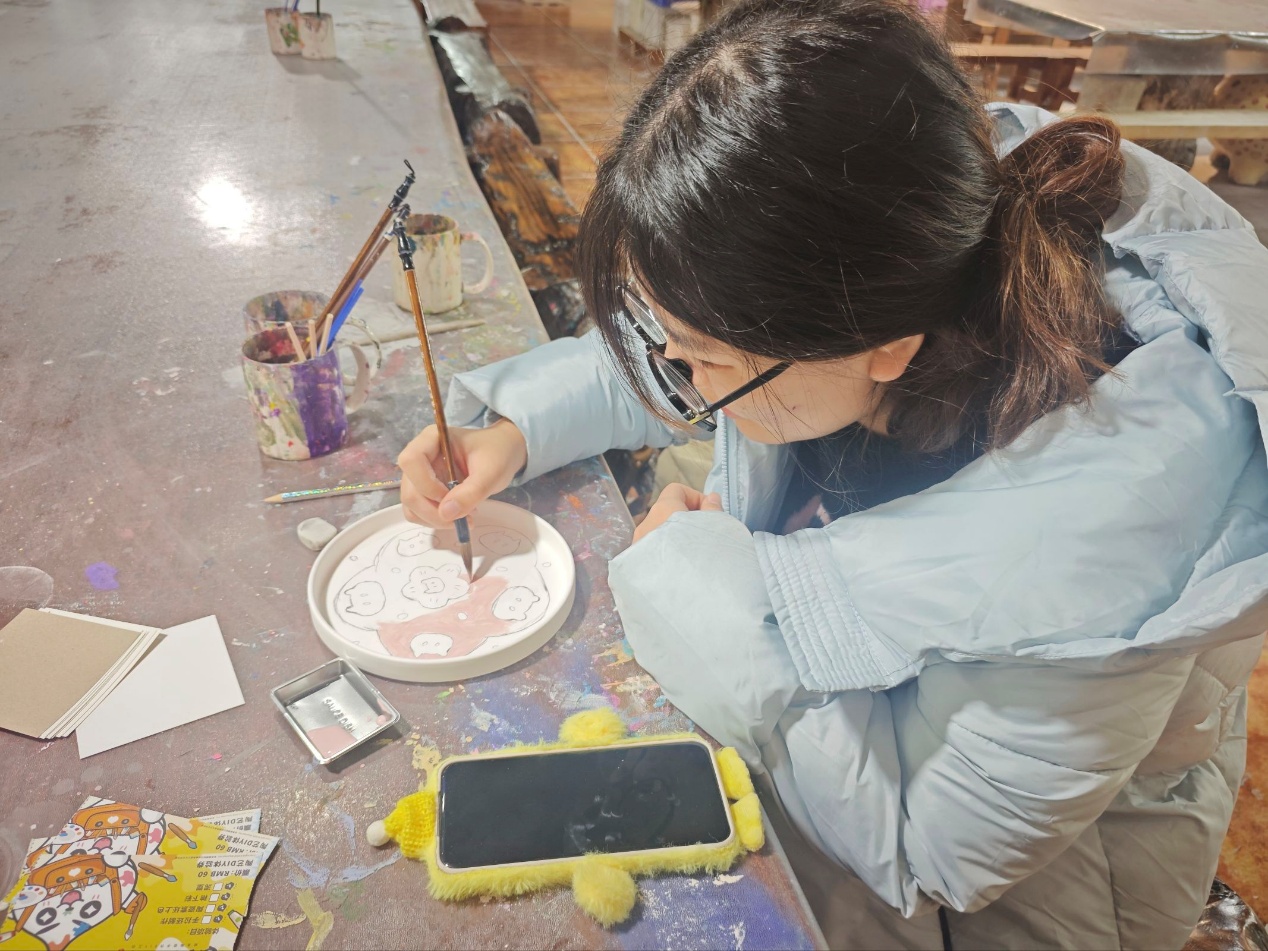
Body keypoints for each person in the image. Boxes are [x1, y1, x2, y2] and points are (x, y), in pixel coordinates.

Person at [396, 0, 1268, 946]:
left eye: (703, 360)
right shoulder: (907, 242)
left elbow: (927, 847)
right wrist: (516, 429)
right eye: (671, 338)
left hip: (1041, 896)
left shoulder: (1098, 545)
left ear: (884, 346)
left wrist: (694, 586)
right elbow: (694, 331)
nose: (678, 373)